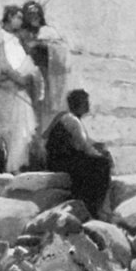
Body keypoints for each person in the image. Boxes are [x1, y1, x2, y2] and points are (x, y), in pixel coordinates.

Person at [0, 5, 43, 172]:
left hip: (17, 88)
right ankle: (9, 166)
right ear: (9, 17)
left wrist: (27, 77)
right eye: (18, 17)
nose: (21, 21)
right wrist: (20, 79)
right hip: (4, 89)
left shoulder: (15, 40)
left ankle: (16, 165)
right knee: (7, 128)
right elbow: (3, 65)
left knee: (21, 129)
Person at [44, 89, 114, 218]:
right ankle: (94, 208)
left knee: (98, 161)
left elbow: (85, 143)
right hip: (61, 162)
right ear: (79, 104)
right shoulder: (72, 120)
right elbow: (84, 146)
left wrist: (99, 148)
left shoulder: (67, 117)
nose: (88, 105)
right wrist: (101, 155)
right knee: (102, 164)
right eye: (85, 102)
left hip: (61, 159)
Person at [18, 0, 69, 129]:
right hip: (29, 75)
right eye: (30, 14)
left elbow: (61, 50)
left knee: (47, 109)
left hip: (48, 75)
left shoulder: (48, 31)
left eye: (36, 14)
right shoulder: (22, 33)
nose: (34, 17)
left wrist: (42, 44)